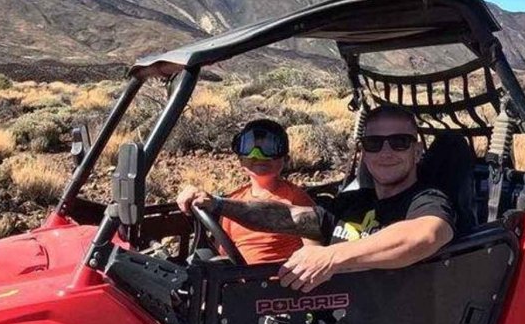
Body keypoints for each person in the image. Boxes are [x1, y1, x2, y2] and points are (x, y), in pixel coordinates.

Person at [176, 104, 454, 292]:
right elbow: (290, 216)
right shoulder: (352, 203)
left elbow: (427, 235)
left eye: (399, 142)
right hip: (318, 321)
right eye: (374, 143)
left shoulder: (425, 199)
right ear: (364, 153)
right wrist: (219, 204)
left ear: (417, 150)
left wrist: (331, 256)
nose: (385, 152)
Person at [215, 119, 316, 265]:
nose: (258, 156)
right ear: (240, 159)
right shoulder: (233, 201)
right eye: (250, 147)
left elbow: (315, 253)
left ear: (285, 158)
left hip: (279, 282)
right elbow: (222, 253)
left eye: (269, 148)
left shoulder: (295, 198)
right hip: (238, 282)